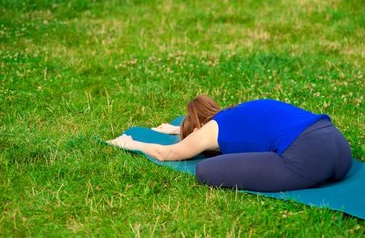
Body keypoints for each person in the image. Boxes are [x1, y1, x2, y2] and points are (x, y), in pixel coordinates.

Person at [108, 95, 353, 192]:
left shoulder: (209, 129)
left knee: (205, 170)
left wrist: (130, 143)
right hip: (340, 150)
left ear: (197, 128)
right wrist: (175, 127)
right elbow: (250, 130)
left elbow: (166, 153)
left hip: (309, 159)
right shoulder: (246, 108)